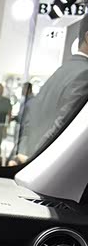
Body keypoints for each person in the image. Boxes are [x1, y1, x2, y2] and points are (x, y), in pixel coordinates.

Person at [16, 14, 88, 163]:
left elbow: (30, 117)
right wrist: (35, 158)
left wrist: (23, 153)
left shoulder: (61, 71)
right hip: (49, 165)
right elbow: (63, 126)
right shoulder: (84, 74)